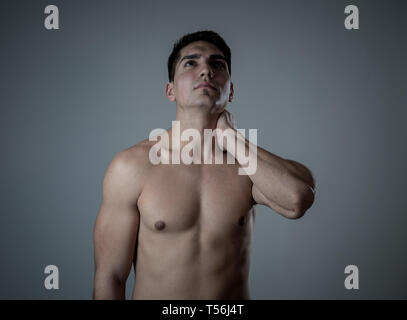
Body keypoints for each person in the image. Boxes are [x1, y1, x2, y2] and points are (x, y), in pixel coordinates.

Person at [92, 30, 316, 299]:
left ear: (230, 90)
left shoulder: (247, 166)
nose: (206, 71)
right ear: (170, 90)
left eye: (217, 64)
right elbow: (110, 276)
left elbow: (297, 199)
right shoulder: (132, 166)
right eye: (191, 63)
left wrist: (230, 137)